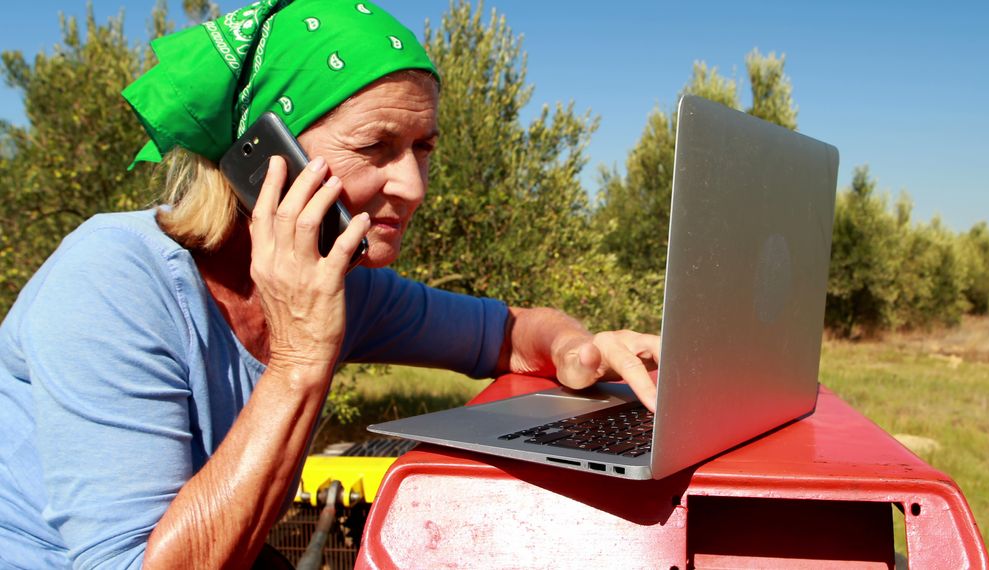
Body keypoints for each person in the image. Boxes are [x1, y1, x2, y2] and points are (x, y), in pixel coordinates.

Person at [0, 1, 660, 568]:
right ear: (261, 153)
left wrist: (580, 350)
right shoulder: (110, 282)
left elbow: (509, 333)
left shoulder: (343, 282)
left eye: (423, 147)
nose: (414, 187)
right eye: (376, 149)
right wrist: (301, 356)